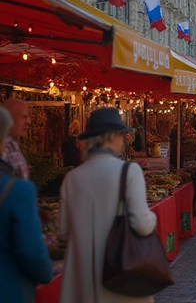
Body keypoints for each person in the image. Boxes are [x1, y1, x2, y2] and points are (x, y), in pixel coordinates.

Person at [59, 107, 157, 302]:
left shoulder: (72, 178)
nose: (124, 139)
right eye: (122, 135)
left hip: (83, 277)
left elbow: (62, 230)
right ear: (111, 137)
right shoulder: (129, 171)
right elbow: (142, 224)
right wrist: (152, 218)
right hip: (119, 273)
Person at [0, 107, 53, 302]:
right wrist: (46, 273)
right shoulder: (18, 190)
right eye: (24, 116)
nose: (29, 121)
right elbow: (30, 251)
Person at [1, 98, 30, 179]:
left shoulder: (12, 145)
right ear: (8, 117)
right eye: (24, 117)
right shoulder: (4, 149)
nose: (28, 121)